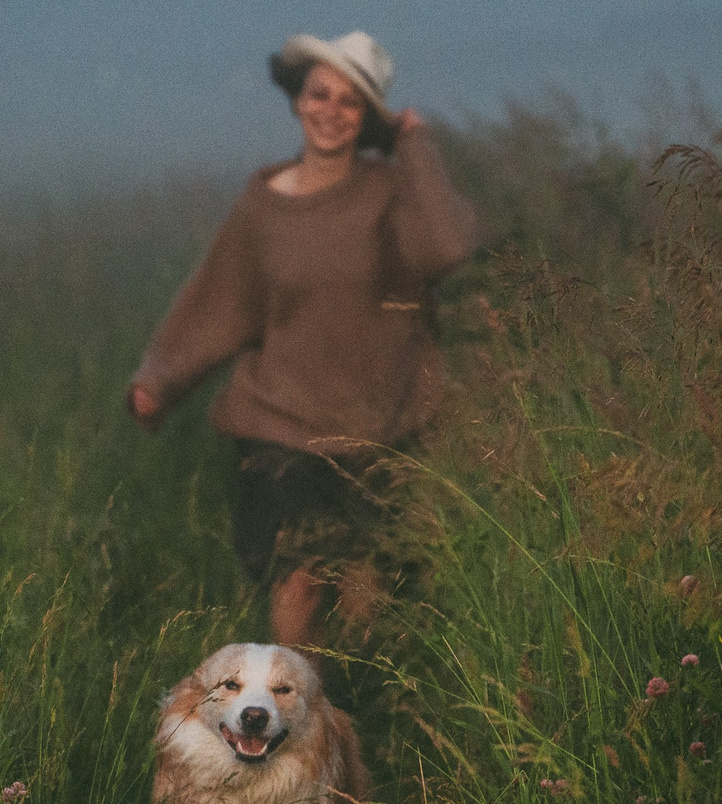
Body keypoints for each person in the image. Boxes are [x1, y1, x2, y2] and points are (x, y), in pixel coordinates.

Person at [128, 31, 480, 651]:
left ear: (368, 116)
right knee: (298, 579)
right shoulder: (262, 203)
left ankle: (354, 721)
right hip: (280, 423)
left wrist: (413, 142)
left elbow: (446, 247)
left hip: (379, 424)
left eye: (350, 102)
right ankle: (296, 727)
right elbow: (220, 302)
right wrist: (159, 380)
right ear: (297, 100)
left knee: (365, 602)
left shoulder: (390, 192)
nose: (330, 112)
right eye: (319, 95)